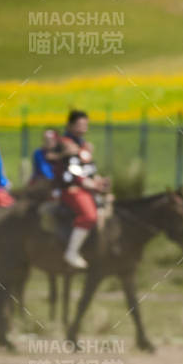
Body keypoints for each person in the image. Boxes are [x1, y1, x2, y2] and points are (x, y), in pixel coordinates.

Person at [51, 110, 105, 270]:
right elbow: (73, 172)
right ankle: (72, 252)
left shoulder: (84, 145)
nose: (84, 128)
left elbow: (89, 169)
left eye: (85, 124)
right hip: (72, 189)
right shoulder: (65, 144)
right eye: (80, 124)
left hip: (88, 187)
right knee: (89, 215)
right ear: (70, 125)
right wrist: (91, 184)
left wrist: (98, 181)